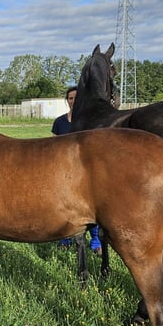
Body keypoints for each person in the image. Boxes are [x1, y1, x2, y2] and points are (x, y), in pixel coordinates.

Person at [51, 86, 102, 254]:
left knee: (90, 205)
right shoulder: (60, 122)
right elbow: (53, 145)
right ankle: (64, 238)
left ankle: (95, 241)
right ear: (67, 101)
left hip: (84, 170)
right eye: (70, 98)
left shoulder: (90, 122)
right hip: (63, 169)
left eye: (76, 98)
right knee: (63, 203)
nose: (73, 101)